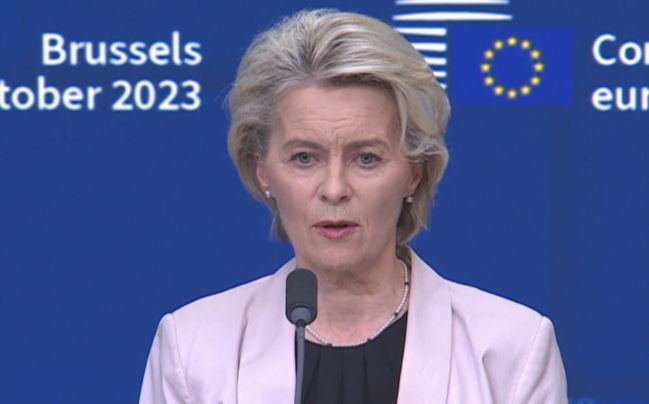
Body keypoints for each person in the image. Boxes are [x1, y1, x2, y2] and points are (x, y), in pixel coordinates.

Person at [139, 9, 567, 404]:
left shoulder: (512, 349)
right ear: (263, 171)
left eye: (366, 158)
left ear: (414, 173)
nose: (334, 189)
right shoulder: (192, 349)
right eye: (304, 158)